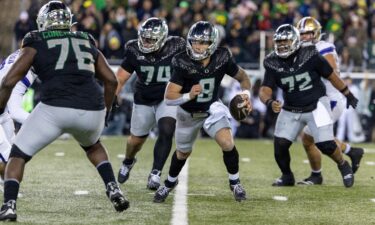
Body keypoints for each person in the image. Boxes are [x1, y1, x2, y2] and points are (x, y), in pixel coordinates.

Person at [0, 1, 129, 221]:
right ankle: (113, 188)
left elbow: (9, 81)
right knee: (94, 145)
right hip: (92, 106)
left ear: (43, 21)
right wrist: (104, 112)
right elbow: (110, 80)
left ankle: (9, 205)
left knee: (17, 156)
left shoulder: (35, 39)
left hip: (54, 108)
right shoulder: (87, 39)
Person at [153, 21, 251, 203]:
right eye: (194, 41)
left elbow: (243, 77)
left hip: (211, 107)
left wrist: (245, 95)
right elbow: (169, 97)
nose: (197, 46)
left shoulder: (222, 57)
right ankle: (169, 183)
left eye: (203, 42)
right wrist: (188, 95)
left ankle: (235, 182)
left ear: (212, 43)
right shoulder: (182, 61)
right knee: (183, 152)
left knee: (227, 142)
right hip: (187, 113)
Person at [259, 24, 358, 188]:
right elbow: (265, 89)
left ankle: (343, 164)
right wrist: (269, 102)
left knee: (325, 144)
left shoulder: (310, 54)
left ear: (296, 41)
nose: (282, 45)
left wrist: (348, 93)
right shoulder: (271, 61)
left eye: (286, 41)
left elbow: (331, 75)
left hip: (317, 104)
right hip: (291, 108)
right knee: (280, 146)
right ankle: (287, 176)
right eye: (279, 42)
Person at [116, 17, 186, 190]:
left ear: (162, 38)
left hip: (167, 98)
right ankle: (128, 160)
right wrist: (111, 97)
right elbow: (120, 78)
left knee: (167, 130)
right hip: (144, 99)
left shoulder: (176, 47)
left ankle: (155, 173)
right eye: (144, 38)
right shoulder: (134, 49)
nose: (146, 43)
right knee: (135, 141)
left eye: (151, 39)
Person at [295, 17, 364, 185]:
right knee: (309, 139)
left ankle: (330, 170)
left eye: (308, 34)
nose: (304, 37)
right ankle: (351, 152)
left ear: (316, 34)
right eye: (302, 34)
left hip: (331, 100)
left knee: (316, 139)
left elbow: (330, 71)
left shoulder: (324, 47)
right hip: (319, 101)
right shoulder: (300, 51)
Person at [0, 49, 37, 180]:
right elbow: (16, 112)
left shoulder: (24, 52)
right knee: (7, 156)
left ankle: (5, 184)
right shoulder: (24, 72)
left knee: (13, 153)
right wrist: (44, 123)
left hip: (3, 112)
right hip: (4, 111)